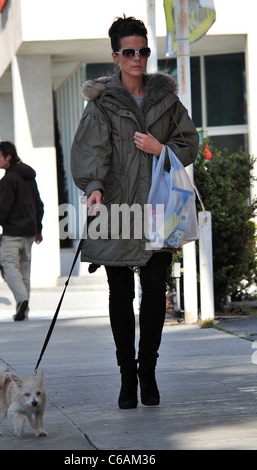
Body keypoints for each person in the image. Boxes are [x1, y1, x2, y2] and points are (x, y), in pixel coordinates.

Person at [71, 16, 199, 409]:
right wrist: (93, 189)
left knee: (155, 293)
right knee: (120, 294)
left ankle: (149, 372)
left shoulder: (166, 99)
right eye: (129, 52)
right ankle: (127, 375)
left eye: (143, 51)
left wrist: (161, 149)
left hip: (159, 209)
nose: (138, 58)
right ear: (115, 56)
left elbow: (189, 142)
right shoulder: (102, 103)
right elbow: (90, 151)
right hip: (117, 209)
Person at [0, 141, 44, 321]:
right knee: (24, 271)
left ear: (8, 156)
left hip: (12, 232)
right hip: (30, 233)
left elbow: (4, 209)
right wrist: (38, 229)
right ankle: (23, 309)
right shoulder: (29, 177)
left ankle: (22, 299)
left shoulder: (8, 180)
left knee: (9, 266)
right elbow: (39, 205)